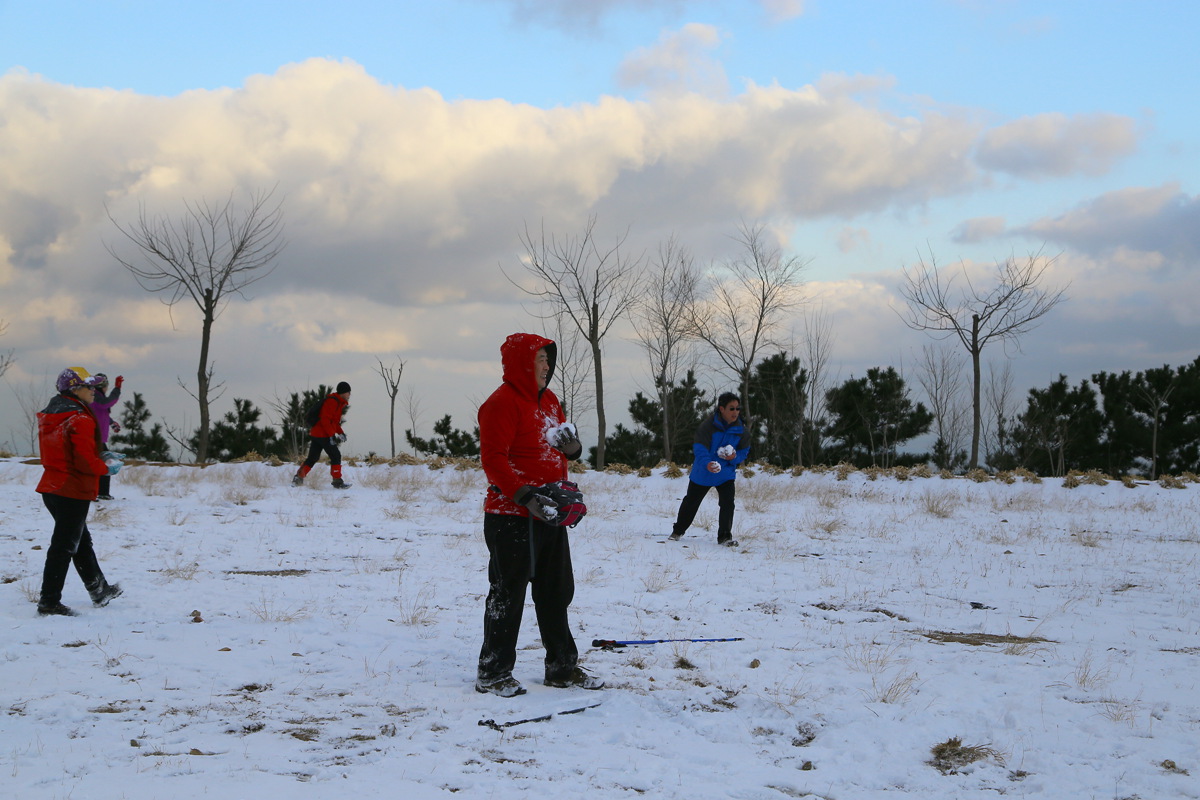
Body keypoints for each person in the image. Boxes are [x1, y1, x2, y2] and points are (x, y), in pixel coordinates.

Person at [475, 332, 602, 697]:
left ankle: (562, 668)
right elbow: (493, 460)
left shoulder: (550, 402)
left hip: (548, 513)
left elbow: (560, 448)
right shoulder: (500, 404)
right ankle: (493, 673)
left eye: (549, 359)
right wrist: (523, 495)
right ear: (522, 363)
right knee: (508, 594)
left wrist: (573, 449)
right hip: (510, 515)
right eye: (540, 359)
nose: (547, 366)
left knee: (556, 592)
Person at [35, 368, 124, 616]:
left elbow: (64, 452)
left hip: (52, 487)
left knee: (79, 541)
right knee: (64, 546)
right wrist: (105, 467)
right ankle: (49, 602)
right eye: (89, 387)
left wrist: (99, 456)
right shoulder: (80, 419)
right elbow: (84, 461)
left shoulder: (53, 415)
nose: (94, 392)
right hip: (72, 489)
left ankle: (100, 589)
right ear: (75, 390)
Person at [669, 392, 751, 548]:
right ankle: (677, 532)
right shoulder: (707, 426)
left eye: (737, 409)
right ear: (721, 409)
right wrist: (707, 463)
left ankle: (725, 537)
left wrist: (733, 457)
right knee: (691, 503)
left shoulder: (742, 431)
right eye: (731, 408)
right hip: (703, 472)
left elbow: (744, 452)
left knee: (728, 503)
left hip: (726, 474)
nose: (735, 412)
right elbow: (700, 449)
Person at [292, 381, 352, 488]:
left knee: (313, 458)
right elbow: (325, 420)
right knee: (335, 455)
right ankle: (337, 481)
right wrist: (330, 436)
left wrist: (340, 433)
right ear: (343, 392)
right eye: (348, 392)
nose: (349, 394)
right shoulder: (333, 402)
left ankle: (298, 477)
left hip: (317, 433)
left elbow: (334, 422)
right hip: (323, 434)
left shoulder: (338, 402)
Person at [89, 372, 124, 499]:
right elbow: (107, 403)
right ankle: (99, 493)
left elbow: (102, 414)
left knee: (104, 463)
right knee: (103, 464)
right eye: (106, 386)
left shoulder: (96, 398)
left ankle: (101, 492)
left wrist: (112, 423)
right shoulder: (95, 397)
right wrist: (117, 389)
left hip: (98, 438)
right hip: (93, 438)